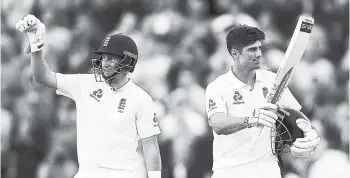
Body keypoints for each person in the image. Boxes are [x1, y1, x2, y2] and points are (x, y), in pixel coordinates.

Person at [15, 14, 162, 178]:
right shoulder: (86, 83)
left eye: (111, 58)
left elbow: (150, 147)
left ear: (128, 61)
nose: (105, 62)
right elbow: (42, 77)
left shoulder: (141, 99)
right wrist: (36, 45)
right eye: (104, 57)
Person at [205, 24, 320, 178]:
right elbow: (218, 124)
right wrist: (250, 120)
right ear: (235, 53)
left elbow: (297, 116)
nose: (259, 54)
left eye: (260, 48)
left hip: (267, 168)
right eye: (252, 49)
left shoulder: (272, 80)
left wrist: (309, 134)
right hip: (230, 169)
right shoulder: (217, 87)